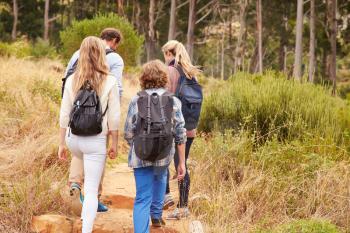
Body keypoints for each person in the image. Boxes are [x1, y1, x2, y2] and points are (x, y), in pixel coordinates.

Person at [58, 36, 120, 233]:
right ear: (102, 54)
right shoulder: (110, 80)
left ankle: (76, 182)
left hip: (74, 140)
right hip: (96, 140)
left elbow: (64, 114)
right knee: (92, 190)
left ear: (81, 54)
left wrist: (61, 143)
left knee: (81, 159)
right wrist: (115, 144)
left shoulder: (70, 80)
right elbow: (114, 118)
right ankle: (86, 228)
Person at [124, 60, 186, 233]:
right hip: (164, 154)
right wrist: (181, 162)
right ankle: (157, 215)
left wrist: (137, 146)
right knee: (160, 178)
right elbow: (180, 133)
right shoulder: (173, 100)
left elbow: (128, 132)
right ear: (164, 77)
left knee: (142, 197)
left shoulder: (136, 99)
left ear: (144, 78)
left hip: (141, 154)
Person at [161, 40, 202, 219]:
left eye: (165, 55)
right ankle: (181, 204)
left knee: (162, 160)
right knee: (181, 164)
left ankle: (169, 198)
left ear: (169, 53)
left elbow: (164, 99)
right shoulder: (192, 73)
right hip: (189, 129)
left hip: (172, 126)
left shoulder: (170, 71)